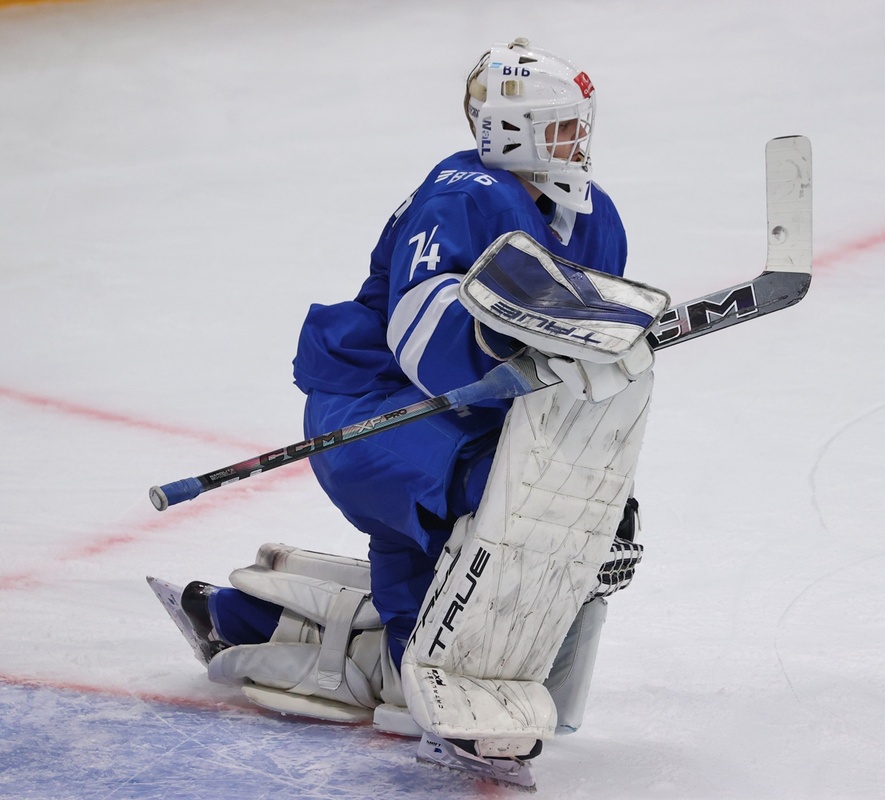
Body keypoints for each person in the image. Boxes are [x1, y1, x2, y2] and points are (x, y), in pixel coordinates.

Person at [151, 37, 661, 778]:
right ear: (508, 131)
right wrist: (523, 363)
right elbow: (423, 338)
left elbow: (586, 358)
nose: (577, 140)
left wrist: (600, 491)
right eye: (559, 124)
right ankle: (280, 629)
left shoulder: (596, 216)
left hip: (471, 424)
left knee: (497, 572)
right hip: (375, 413)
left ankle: (254, 619)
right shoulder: (463, 195)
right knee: (510, 510)